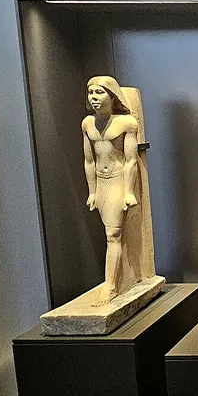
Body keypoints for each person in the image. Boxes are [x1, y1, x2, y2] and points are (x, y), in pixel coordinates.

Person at [82, 76, 139, 305]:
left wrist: (129, 191)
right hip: (101, 182)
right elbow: (89, 161)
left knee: (113, 235)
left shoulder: (126, 123)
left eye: (99, 92)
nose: (94, 97)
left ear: (113, 96)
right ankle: (114, 282)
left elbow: (131, 160)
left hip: (117, 181)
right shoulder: (88, 124)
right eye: (91, 93)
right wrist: (92, 191)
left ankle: (111, 286)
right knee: (110, 233)